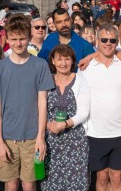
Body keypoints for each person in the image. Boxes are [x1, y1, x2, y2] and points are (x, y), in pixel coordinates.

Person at [0, 15, 54, 191]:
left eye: (22, 38)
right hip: (7, 137)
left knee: (29, 184)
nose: (18, 43)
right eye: (14, 39)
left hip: (32, 137)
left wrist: (41, 137)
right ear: (7, 39)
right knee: (10, 184)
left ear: (29, 37)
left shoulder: (40, 65)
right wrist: (0, 142)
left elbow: (42, 104)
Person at [80, 24, 121, 191]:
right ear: (96, 40)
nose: (108, 43)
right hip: (96, 132)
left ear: (117, 42)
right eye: (103, 39)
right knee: (101, 177)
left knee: (117, 177)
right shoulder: (86, 68)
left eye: (112, 40)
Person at [41, 44, 91, 191]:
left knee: (76, 182)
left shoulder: (80, 80)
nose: (63, 63)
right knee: (51, 181)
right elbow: (39, 108)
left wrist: (65, 124)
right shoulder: (46, 80)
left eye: (67, 59)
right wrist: (48, 125)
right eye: (59, 59)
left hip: (75, 140)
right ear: (53, 61)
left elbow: (84, 111)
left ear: (72, 61)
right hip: (51, 140)